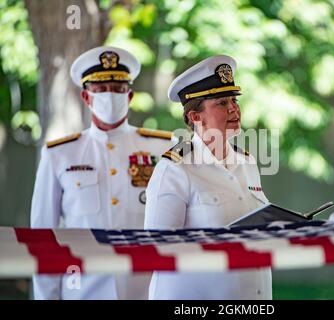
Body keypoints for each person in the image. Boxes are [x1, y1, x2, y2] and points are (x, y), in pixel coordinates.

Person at [31, 46, 175, 300]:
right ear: (87, 97)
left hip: (147, 289)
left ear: (129, 95)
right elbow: (44, 238)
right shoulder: (59, 154)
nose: (111, 95)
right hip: (84, 289)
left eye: (118, 89)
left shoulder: (163, 147)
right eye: (101, 89)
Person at [144, 55, 272, 300]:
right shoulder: (175, 169)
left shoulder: (247, 163)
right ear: (195, 117)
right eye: (222, 103)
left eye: (234, 99)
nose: (234, 108)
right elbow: (155, 251)